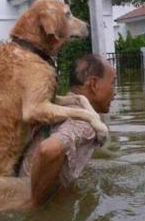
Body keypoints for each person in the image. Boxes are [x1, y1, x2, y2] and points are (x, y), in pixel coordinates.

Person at [17, 54, 116, 206]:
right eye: (113, 84)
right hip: (23, 204)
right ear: (94, 85)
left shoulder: (55, 108)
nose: (115, 93)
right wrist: (36, 206)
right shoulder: (85, 123)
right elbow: (49, 150)